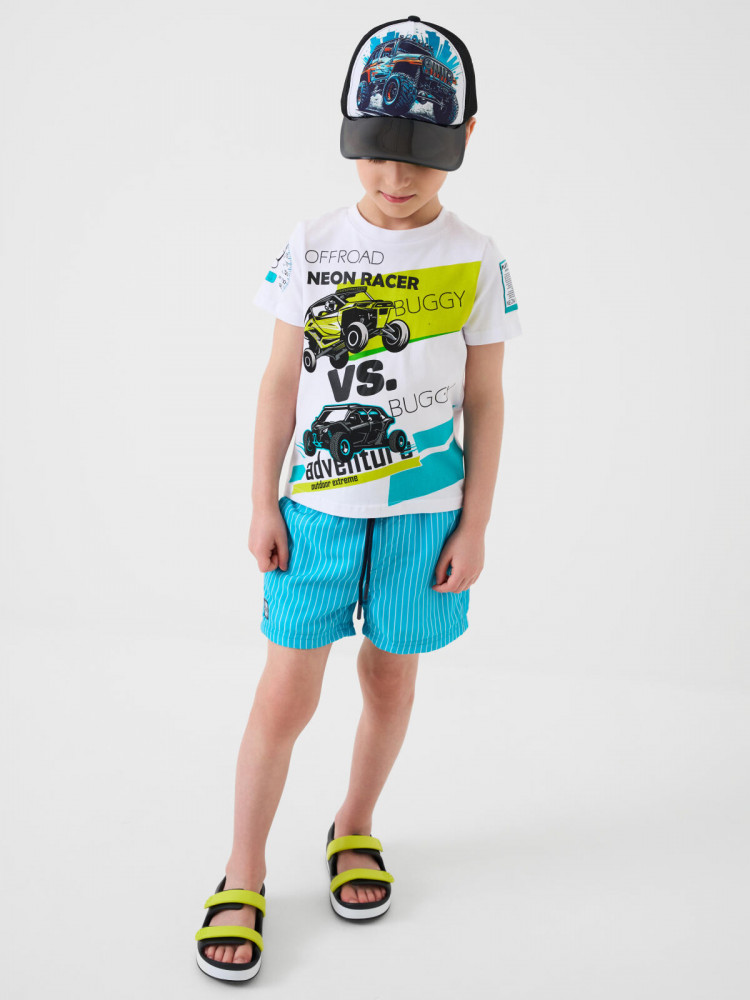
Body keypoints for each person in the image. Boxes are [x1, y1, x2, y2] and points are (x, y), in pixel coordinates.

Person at [194, 15, 523, 983]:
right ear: (350, 137)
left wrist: (476, 522)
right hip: (318, 513)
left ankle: (355, 825)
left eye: (420, 152)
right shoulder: (312, 245)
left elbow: (486, 398)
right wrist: (263, 502)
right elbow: (278, 383)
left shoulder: (477, 257)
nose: (394, 173)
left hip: (424, 515)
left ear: (464, 138)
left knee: (390, 681)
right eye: (376, 149)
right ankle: (243, 869)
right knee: (285, 692)